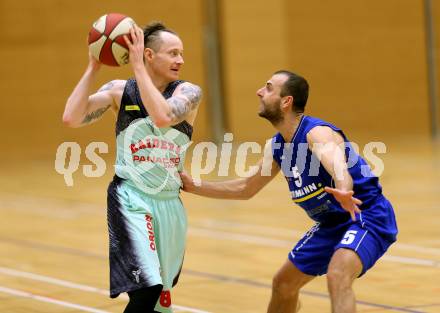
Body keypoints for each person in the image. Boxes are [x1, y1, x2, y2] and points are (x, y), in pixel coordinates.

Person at [180, 70, 397, 313]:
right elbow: (245, 188)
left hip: (364, 214)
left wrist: (344, 190)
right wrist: (192, 185)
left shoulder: (316, 133)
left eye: (269, 87)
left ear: (286, 101)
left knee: (338, 274)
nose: (259, 92)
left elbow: (339, 167)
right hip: (332, 223)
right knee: (283, 284)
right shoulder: (277, 145)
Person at [63, 22, 202, 313]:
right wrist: (94, 67)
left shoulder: (188, 93)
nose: (181, 60)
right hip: (130, 198)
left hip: (169, 203)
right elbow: (72, 118)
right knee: (146, 289)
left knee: (161, 299)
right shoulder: (119, 91)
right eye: (173, 53)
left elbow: (163, 116)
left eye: (182, 53)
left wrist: (139, 69)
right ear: (148, 55)